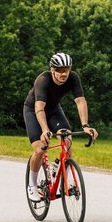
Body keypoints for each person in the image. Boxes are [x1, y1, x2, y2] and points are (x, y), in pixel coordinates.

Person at [23, 52, 99, 201]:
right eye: (60, 70)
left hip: (54, 110)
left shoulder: (73, 78)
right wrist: (45, 130)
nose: (64, 74)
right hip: (33, 110)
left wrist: (85, 125)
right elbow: (39, 107)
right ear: (52, 69)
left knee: (67, 139)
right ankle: (32, 185)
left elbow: (80, 101)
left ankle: (63, 177)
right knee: (40, 148)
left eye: (67, 70)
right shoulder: (43, 80)